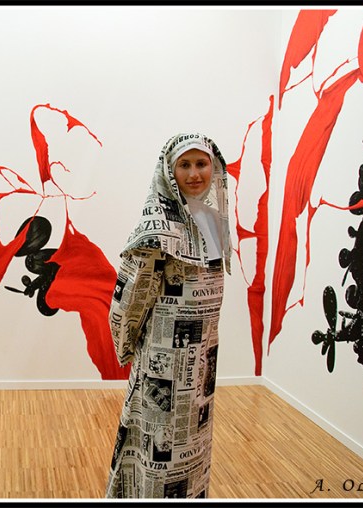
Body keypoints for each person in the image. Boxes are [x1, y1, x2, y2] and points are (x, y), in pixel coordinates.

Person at [105, 132, 232, 498]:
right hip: (163, 361)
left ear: (214, 167)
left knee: (195, 441)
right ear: (168, 171)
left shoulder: (216, 220)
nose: (194, 174)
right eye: (184, 165)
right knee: (156, 442)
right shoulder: (158, 227)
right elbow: (131, 295)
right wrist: (127, 345)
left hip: (203, 357)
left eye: (202, 163)